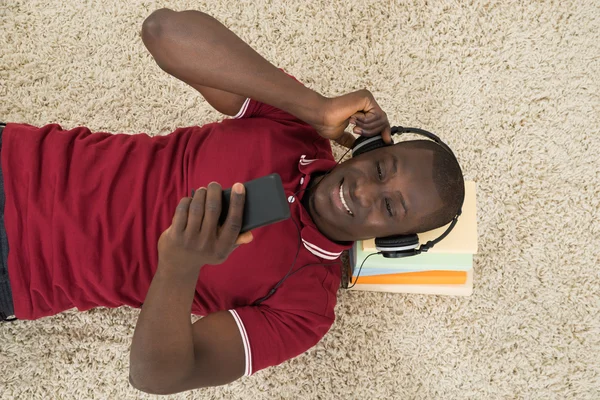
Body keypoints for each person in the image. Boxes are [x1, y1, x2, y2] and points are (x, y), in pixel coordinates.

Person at [0, 8, 465, 395]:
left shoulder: (305, 310)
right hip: (17, 158)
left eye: (389, 208)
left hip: (19, 273)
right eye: (381, 169)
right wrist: (315, 107)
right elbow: (163, 31)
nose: (364, 191)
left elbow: (156, 376)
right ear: (370, 149)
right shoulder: (295, 125)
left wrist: (179, 266)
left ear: (393, 239)